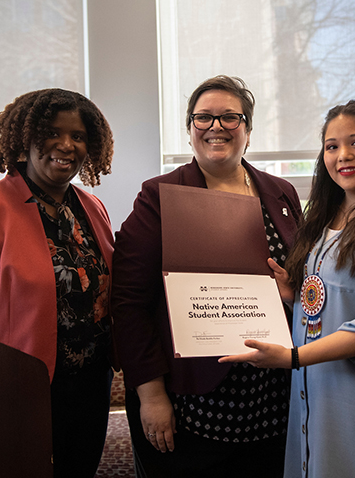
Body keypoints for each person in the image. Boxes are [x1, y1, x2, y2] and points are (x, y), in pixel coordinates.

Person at [222, 100, 355, 478]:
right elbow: (330, 301)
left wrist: (291, 357)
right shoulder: (324, 214)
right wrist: (293, 296)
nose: (344, 155)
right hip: (317, 397)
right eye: (332, 146)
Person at [112, 75, 302, 477]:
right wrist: (152, 395)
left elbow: (302, 280)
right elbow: (128, 303)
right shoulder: (159, 197)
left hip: (274, 397)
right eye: (203, 118)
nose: (216, 127)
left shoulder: (281, 193)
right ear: (190, 130)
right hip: (194, 404)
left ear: (248, 131)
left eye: (230, 118)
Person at [0, 88, 116, 478]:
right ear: (25, 138)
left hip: (90, 387)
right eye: (52, 132)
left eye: (78, 136)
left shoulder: (91, 207)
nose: (65, 145)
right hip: (19, 392)